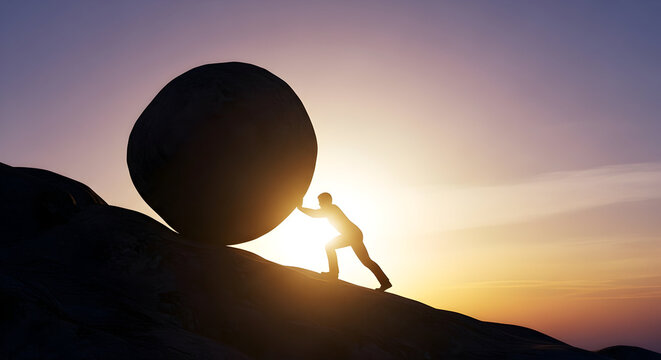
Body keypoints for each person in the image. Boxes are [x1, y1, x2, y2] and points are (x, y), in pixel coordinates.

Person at [297, 192, 392, 291]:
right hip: (353, 234)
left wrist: (300, 208)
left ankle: (333, 273)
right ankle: (385, 282)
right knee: (366, 261)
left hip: (352, 235)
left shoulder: (332, 208)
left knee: (329, 247)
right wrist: (301, 208)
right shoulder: (330, 209)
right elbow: (315, 213)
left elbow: (314, 214)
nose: (319, 204)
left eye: (320, 202)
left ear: (326, 201)